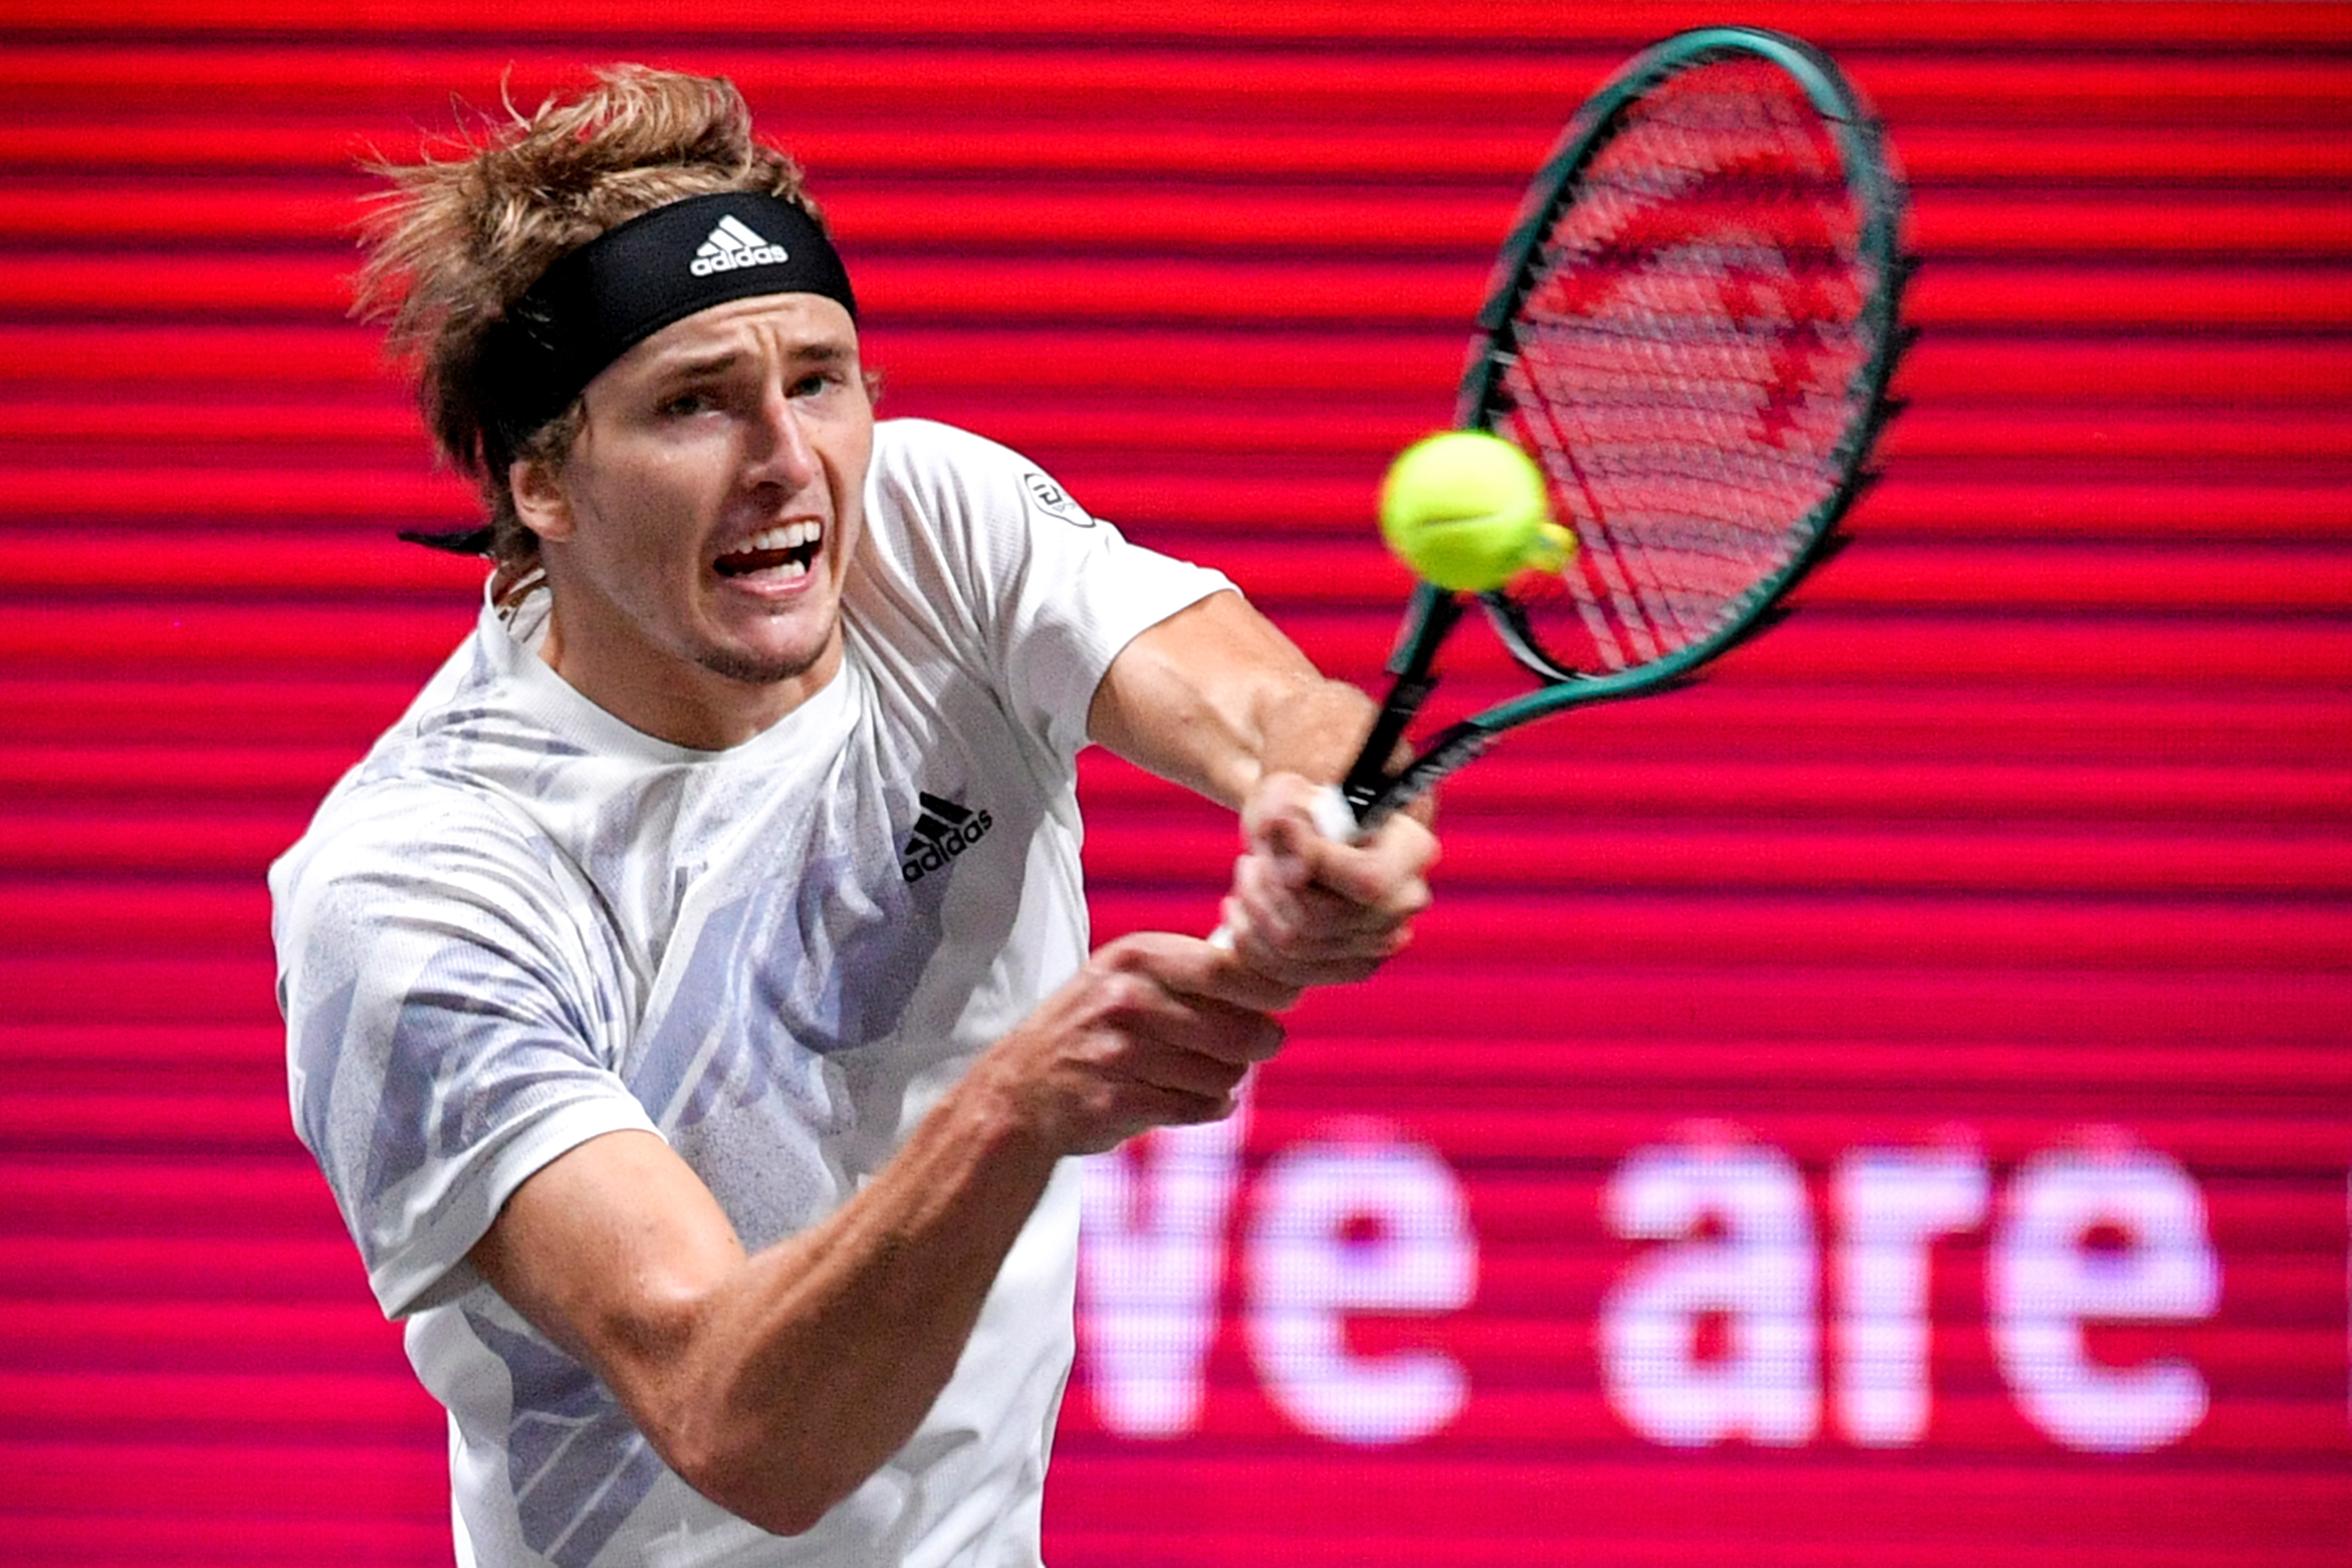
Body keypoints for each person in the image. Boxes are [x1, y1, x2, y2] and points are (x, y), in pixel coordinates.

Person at [271, 64, 1436, 1568]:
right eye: (694, 403)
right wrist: (1015, 1112)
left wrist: (1323, 813)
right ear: (541, 479)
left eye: (819, 380)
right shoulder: (417, 884)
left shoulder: (933, 533)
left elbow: (1270, 710)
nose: (786, 460)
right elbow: (739, 1427)